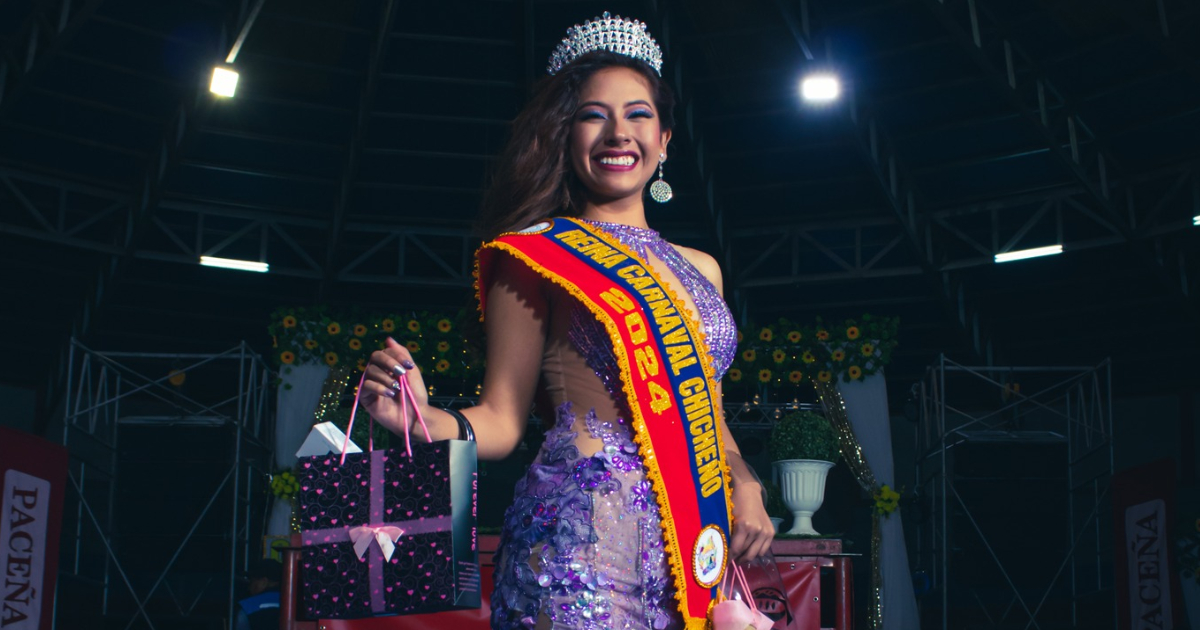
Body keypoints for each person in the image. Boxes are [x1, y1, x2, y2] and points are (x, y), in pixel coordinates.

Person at [360, 12, 772, 630]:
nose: (617, 132)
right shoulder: (532, 257)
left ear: (664, 140)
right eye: (592, 114)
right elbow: (501, 421)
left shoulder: (703, 269)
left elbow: (703, 412)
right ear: (565, 135)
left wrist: (744, 480)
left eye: (638, 114)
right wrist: (419, 420)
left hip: (691, 548)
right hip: (580, 549)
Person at [234, 559, 281, 630]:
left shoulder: (248, 606)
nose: (249, 588)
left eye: (252, 582)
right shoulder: (296, 604)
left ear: (264, 582)